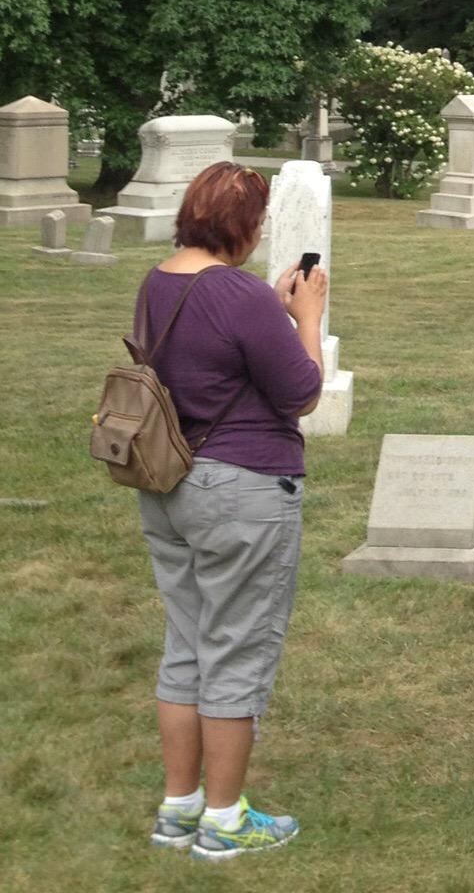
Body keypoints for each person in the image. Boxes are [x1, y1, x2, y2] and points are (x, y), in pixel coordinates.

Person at [132, 161, 328, 860]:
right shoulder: (240, 296)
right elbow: (301, 391)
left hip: (171, 480)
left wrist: (272, 309)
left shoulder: (158, 282)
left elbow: (208, 353)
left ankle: (179, 809)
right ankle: (224, 819)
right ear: (244, 227)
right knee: (236, 652)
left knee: (186, 646)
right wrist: (305, 316)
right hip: (243, 488)